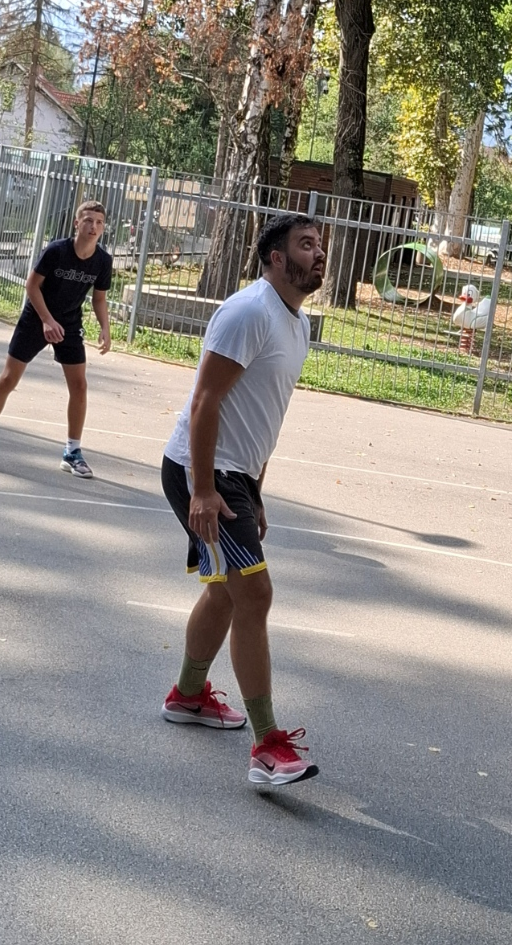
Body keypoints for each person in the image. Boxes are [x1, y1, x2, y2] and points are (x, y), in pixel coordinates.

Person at [158, 213, 326, 788]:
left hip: (237, 476)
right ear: (276, 257)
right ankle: (267, 746)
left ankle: (187, 695)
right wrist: (204, 489)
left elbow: (262, 416)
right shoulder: (249, 312)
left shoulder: (296, 323)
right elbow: (205, 401)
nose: (319, 254)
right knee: (254, 593)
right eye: (306, 245)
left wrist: (257, 492)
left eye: (319, 245)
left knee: (226, 593)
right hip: (202, 470)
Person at [0, 201, 112, 477]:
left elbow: (99, 299)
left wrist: (105, 328)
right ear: (77, 223)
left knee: (79, 386)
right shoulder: (56, 251)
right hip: (36, 319)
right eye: (88, 220)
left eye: (99, 222)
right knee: (8, 379)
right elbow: (32, 285)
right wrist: (46, 320)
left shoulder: (103, 260)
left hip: (69, 323)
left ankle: (72, 452)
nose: (93, 227)